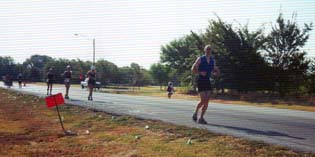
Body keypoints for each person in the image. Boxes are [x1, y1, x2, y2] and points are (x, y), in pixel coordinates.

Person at [191, 45, 220, 124]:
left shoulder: (212, 60)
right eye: (207, 49)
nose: (208, 51)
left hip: (207, 80)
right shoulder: (200, 59)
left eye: (210, 49)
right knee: (203, 100)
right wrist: (199, 72)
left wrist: (216, 72)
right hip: (201, 80)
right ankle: (195, 113)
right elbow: (193, 69)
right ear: (205, 50)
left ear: (211, 51)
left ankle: (201, 118)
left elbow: (214, 70)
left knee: (207, 101)